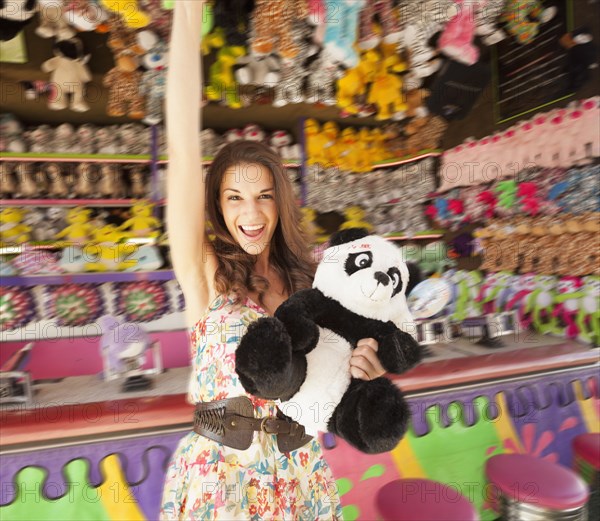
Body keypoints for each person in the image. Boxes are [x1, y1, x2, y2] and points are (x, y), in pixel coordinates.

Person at [160, 2, 386, 519]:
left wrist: (365, 377)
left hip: (301, 476)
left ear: (281, 201)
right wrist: (189, 15)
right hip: (221, 481)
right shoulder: (206, 273)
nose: (251, 212)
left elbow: (336, 394)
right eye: (234, 198)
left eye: (263, 195)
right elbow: (179, 144)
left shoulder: (313, 284)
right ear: (216, 205)